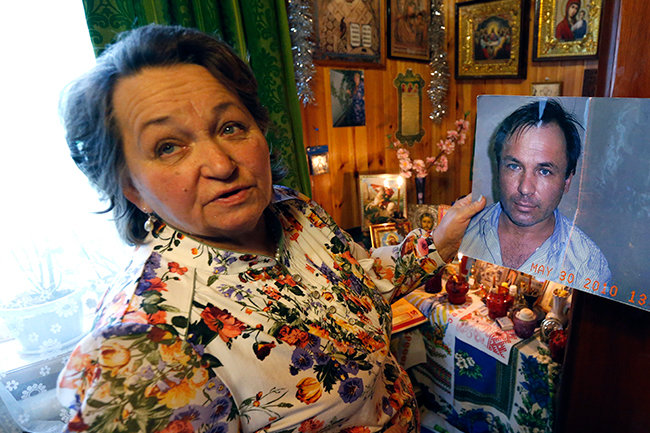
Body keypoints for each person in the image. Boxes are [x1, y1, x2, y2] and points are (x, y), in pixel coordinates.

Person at [56, 24, 485, 432]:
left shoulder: (293, 210)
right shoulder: (144, 345)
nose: (221, 164)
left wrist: (440, 241)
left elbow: (365, 282)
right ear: (132, 188)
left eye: (230, 127)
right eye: (169, 147)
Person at [460, 99, 611, 286]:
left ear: (567, 181)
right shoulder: (461, 231)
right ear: (498, 168)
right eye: (514, 166)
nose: (525, 188)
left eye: (544, 171)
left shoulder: (589, 268)